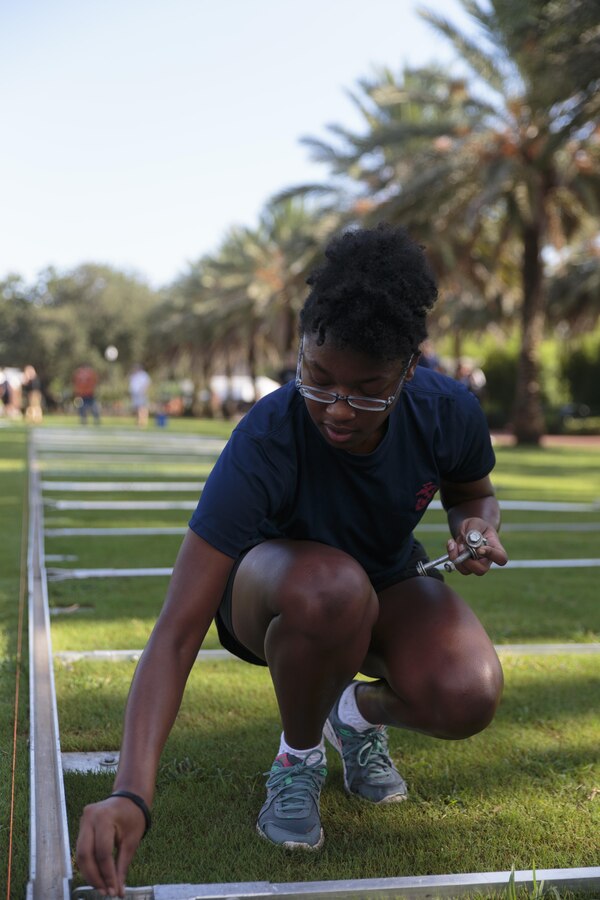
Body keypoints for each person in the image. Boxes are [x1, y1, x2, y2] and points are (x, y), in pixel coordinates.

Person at [76, 225, 508, 896]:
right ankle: (297, 756)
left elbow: (472, 494)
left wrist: (476, 527)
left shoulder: (447, 410)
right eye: (318, 379)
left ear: (408, 373)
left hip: (387, 580)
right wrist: (131, 794)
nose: (337, 409)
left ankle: (355, 716)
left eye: (367, 390)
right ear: (300, 353)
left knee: (468, 694)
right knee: (332, 588)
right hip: (273, 598)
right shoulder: (267, 437)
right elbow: (177, 630)